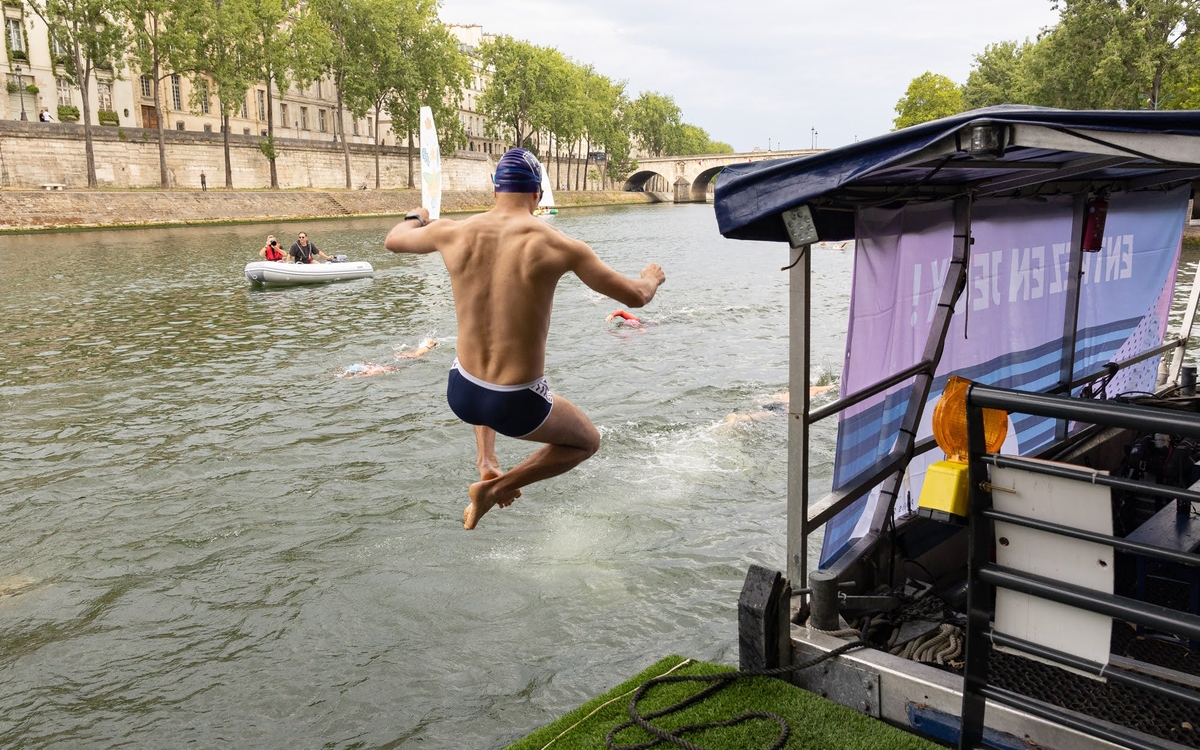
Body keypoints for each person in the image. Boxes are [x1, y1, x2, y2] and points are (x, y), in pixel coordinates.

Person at [385, 147, 665, 529]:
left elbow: (394, 239)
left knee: (477, 358)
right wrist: (652, 276)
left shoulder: (453, 231)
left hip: (462, 392)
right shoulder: (558, 245)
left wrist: (417, 216)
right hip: (516, 403)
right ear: (537, 195)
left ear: (495, 190)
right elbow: (637, 296)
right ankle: (495, 487)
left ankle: (486, 460)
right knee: (586, 442)